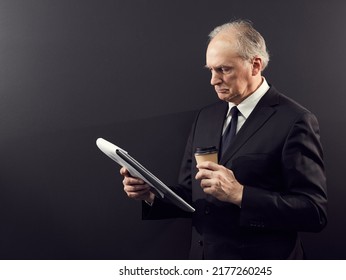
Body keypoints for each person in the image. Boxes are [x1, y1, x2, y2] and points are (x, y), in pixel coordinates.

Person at [120, 20, 327, 259]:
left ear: (255, 65)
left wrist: (240, 194)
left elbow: (314, 211)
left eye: (223, 70)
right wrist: (150, 194)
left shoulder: (295, 120)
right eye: (210, 70)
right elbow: (191, 194)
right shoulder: (206, 117)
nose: (213, 80)